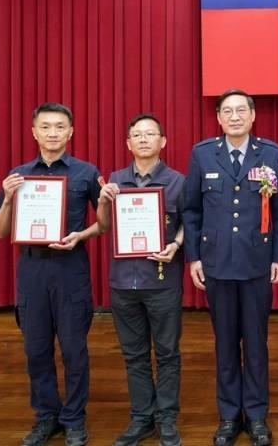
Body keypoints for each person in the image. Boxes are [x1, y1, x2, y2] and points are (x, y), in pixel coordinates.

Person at [182, 89, 278, 446]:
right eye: (227, 111)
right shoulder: (203, 154)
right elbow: (192, 211)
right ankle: (229, 416)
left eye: (241, 110)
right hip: (216, 264)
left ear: (253, 115)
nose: (235, 116)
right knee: (226, 344)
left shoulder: (270, 153)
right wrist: (194, 257)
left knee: (256, 344)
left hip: (257, 262)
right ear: (218, 118)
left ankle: (257, 416)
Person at [0, 102, 102, 446]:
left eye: (59, 127)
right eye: (46, 127)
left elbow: (106, 223)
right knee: (36, 349)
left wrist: (81, 235)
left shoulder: (86, 172)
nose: (52, 133)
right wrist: (9, 200)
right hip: (32, 272)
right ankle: (46, 416)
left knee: (74, 350)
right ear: (34, 132)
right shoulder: (19, 175)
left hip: (71, 271)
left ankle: (73, 418)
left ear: (71, 132)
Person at [95, 113, 185, 446]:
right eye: (137, 134)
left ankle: (166, 418)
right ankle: (141, 418)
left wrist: (175, 245)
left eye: (150, 134)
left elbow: (189, 222)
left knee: (167, 354)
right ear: (128, 143)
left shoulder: (178, 181)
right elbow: (104, 226)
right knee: (133, 355)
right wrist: (103, 201)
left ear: (163, 142)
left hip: (161, 281)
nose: (143, 139)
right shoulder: (115, 180)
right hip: (123, 283)